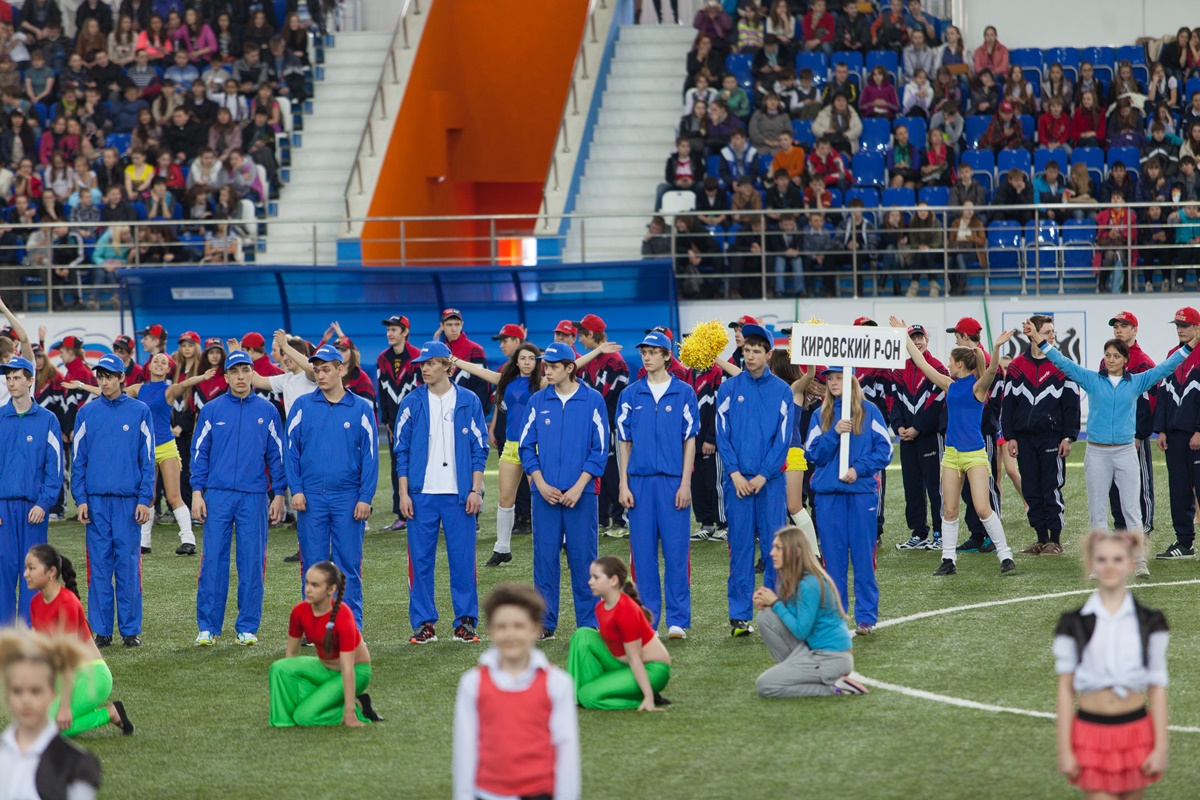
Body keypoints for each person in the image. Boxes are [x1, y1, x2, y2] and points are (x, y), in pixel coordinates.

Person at [1025, 319, 1199, 578]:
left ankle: (1139, 561)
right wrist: (1039, 340)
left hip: (1126, 452)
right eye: (1107, 355)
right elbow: (1063, 362)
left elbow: (1166, 368)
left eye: (1116, 356)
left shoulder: (1137, 382)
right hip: (1096, 453)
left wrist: (1191, 344)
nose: (1110, 359)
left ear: (1125, 359)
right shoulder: (1093, 380)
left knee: (1132, 511)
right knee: (1097, 512)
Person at [893, 316, 1016, 576]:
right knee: (949, 510)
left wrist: (995, 348)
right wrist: (903, 335)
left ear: (960, 364)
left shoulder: (978, 388)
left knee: (983, 508)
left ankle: (1005, 555)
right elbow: (920, 362)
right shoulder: (950, 385)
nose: (947, 364)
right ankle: (948, 560)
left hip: (974, 455)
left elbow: (992, 370)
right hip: (951, 455)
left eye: (950, 361)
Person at [1054, 530, 1168, 796]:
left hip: (1135, 732)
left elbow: (1158, 686)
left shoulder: (1150, 622)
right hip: (1091, 733)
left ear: (1130, 564)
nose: (1109, 566)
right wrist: (1064, 748)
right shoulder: (1073, 623)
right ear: (1092, 564)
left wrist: (1161, 746)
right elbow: (1064, 689)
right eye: (1102, 559)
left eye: (1117, 559)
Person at [67, 351, 209, 556]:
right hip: (143, 448)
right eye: (156, 361)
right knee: (148, 496)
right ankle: (144, 541)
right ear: (149, 366)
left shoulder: (169, 390)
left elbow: (186, 384)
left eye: (164, 362)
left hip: (166, 447)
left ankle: (188, 539)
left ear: (169, 369)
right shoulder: (137, 389)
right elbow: (107, 391)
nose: (159, 364)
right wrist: (81, 385)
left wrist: (202, 378)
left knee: (173, 495)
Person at [394, 341, 488, 645]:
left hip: (459, 496)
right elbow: (401, 451)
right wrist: (404, 494)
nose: (424, 368)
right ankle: (423, 623)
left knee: (463, 561)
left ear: (448, 366)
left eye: (431, 363)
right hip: (421, 496)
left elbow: (479, 448)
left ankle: (465, 622)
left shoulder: (469, 400)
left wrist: (475, 489)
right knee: (419, 561)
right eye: (422, 363)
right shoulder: (410, 402)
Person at [191, 350, 286, 647]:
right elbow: (199, 454)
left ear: (252, 374)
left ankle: (247, 627)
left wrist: (279, 494)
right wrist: (197, 492)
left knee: (252, 562)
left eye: (246, 371)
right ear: (227, 376)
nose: (241, 377)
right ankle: (208, 627)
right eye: (235, 372)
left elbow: (277, 456)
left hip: (254, 496)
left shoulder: (268, 411)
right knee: (213, 562)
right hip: (217, 495)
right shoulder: (211, 410)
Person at [453, 582, 579, 800]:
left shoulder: (558, 683)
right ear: (491, 630)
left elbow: (566, 750)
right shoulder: (472, 683)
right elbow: (465, 748)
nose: (510, 634)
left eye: (519, 626)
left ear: (536, 629)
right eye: (501, 626)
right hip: (487, 793)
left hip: (539, 793)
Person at [518, 342, 608, 639]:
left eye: (554, 366)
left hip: (581, 496)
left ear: (571, 368)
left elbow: (600, 449)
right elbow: (525, 447)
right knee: (545, 560)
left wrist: (579, 486)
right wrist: (540, 483)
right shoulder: (537, 401)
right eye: (547, 365)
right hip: (544, 496)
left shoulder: (593, 400)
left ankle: (589, 623)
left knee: (584, 559)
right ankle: (545, 623)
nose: (548, 370)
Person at [285, 345, 379, 629]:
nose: (320, 374)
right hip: (311, 498)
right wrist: (296, 489)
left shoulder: (361, 407)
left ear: (341, 370)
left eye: (326, 369)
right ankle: (313, 626)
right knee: (313, 566)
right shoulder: (302, 405)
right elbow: (290, 451)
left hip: (348, 499)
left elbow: (371, 456)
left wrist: (365, 496)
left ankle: (350, 625)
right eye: (317, 369)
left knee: (347, 565)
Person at [615, 330, 699, 640]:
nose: (647, 357)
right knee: (643, 554)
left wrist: (685, 482)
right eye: (644, 352)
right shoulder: (631, 394)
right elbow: (623, 441)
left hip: (673, 483)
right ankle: (647, 620)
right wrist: (623, 484)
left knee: (677, 552)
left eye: (653, 352)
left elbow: (690, 439)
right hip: (638, 483)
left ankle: (677, 620)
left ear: (667, 356)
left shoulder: (684, 392)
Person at [71, 353, 155, 648]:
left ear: (122, 378)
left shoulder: (140, 411)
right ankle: (102, 630)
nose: (104, 382)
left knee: (128, 566)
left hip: (128, 504)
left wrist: (145, 498)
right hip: (95, 504)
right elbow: (78, 459)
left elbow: (147, 459)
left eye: (109, 376)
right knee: (100, 567)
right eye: (100, 376)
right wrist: (80, 497)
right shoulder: (87, 412)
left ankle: (130, 630)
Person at [715, 323, 790, 637]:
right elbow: (722, 435)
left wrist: (763, 475)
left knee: (775, 549)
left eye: (756, 351)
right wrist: (734, 473)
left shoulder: (783, 391)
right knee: (741, 547)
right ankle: (739, 615)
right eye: (746, 350)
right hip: (738, 484)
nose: (749, 356)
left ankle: (773, 610)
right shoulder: (729, 389)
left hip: (769, 484)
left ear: (769, 354)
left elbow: (783, 440)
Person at [804, 364, 892, 631]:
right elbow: (813, 453)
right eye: (830, 378)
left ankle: (866, 618)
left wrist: (858, 469)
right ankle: (836, 617)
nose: (833, 382)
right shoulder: (820, 415)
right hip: (829, 496)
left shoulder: (870, 411)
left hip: (861, 494)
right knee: (834, 560)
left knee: (864, 559)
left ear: (851, 379)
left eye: (839, 377)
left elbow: (885, 450)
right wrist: (834, 433)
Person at [23, 544, 134, 737]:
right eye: (26, 568)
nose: (26, 574)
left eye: (32, 568)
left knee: (42, 729)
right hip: (62, 676)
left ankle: (110, 713)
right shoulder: (36, 603)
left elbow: (68, 660)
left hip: (91, 677)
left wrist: (64, 706)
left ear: (51, 572)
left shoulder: (67, 603)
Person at [752, 526, 867, 697]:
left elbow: (801, 630)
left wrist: (775, 602)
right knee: (766, 617)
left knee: (765, 685)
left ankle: (835, 688)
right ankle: (796, 673)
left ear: (796, 552)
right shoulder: (794, 578)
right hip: (814, 650)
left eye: (778, 548)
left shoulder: (809, 584)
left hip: (832, 658)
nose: (772, 553)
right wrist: (771, 605)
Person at [1002, 314, 1081, 555]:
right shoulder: (1016, 366)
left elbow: (1072, 405)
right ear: (1033, 334)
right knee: (1031, 489)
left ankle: (1055, 540)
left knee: (1051, 487)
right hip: (1024, 439)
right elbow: (1009, 404)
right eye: (1047, 332)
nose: (1052, 337)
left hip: (1051, 438)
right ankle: (1040, 539)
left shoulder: (1061, 364)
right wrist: (1010, 436)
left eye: (1053, 333)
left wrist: (1068, 436)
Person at [269, 561, 379, 728]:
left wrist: (349, 713)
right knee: (279, 668)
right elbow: (290, 658)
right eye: (307, 582)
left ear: (331, 589)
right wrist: (289, 678)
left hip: (355, 672)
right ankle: (284, 721)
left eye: (315, 585)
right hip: (324, 668)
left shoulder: (344, 616)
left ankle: (356, 707)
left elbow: (347, 668)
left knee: (304, 716)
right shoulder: (299, 612)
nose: (308, 589)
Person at [0, 628, 102, 799]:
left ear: (53, 693)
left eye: (36, 691)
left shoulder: (75, 764)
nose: (26, 700)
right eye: (17, 691)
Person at [0, 355, 62, 626]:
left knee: (33, 573)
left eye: (16, 378)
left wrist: (44, 502)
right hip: (3, 509)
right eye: (8, 378)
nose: (11, 383)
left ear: (29, 381)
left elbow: (55, 467)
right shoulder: (0, 418)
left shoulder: (47, 420)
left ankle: (30, 631)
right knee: (3, 572)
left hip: (33, 510)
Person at [565, 556, 671, 711]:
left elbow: (634, 658)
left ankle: (645, 698)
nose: (590, 582)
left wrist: (648, 695)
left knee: (588, 696)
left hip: (652, 670)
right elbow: (611, 646)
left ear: (613, 580)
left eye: (596, 577)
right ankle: (573, 697)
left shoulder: (626, 611)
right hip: (624, 661)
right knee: (582, 635)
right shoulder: (601, 608)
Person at [1102, 313, 1157, 538]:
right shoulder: (1107, 360)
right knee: (1114, 485)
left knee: (1139, 482)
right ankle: (1121, 528)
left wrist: (1139, 434)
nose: (1118, 330)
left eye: (1124, 326)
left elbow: (1148, 403)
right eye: (1116, 326)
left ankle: (1142, 529)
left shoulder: (1143, 362)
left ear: (1135, 330)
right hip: (1110, 436)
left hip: (1133, 435)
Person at [1153, 307, 1200, 560]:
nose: (1180, 330)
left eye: (1185, 325)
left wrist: (1199, 430)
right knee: (1179, 489)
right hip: (1174, 436)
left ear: (1197, 328)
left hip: (1196, 436)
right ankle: (1184, 543)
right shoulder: (1173, 355)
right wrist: (1160, 429)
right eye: (1177, 326)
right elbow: (1163, 394)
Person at [374, 314, 421, 533]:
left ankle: (422, 510)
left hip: (418, 422)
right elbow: (382, 394)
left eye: (395, 329)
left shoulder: (418, 357)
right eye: (388, 329)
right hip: (394, 426)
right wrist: (388, 423)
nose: (390, 333)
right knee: (397, 467)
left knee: (420, 465)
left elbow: (422, 392)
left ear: (405, 332)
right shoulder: (382, 359)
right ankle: (401, 514)